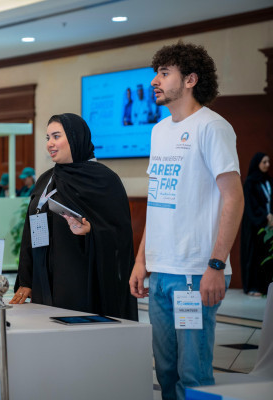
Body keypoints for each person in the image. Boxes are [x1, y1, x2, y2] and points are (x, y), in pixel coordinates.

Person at [129, 42, 244, 400]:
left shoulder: (212, 127)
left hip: (195, 273)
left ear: (191, 79)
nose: (154, 81)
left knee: (192, 373)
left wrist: (216, 264)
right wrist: (141, 260)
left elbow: (234, 198)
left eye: (165, 73)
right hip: (161, 271)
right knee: (164, 371)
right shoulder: (159, 130)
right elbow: (158, 201)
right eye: (156, 72)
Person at [10, 113, 137, 322]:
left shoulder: (104, 181)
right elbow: (29, 231)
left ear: (75, 137)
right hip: (44, 281)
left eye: (56, 136)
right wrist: (27, 279)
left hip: (82, 282)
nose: (50, 143)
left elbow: (120, 238)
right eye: (48, 138)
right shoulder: (45, 180)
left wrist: (91, 231)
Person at [241, 152, 273, 296]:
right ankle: (252, 287)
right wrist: (264, 216)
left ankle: (265, 286)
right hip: (255, 225)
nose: (267, 165)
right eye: (264, 162)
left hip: (269, 225)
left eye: (268, 162)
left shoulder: (269, 181)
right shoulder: (250, 182)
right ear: (257, 163)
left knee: (266, 255)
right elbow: (250, 205)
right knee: (254, 255)